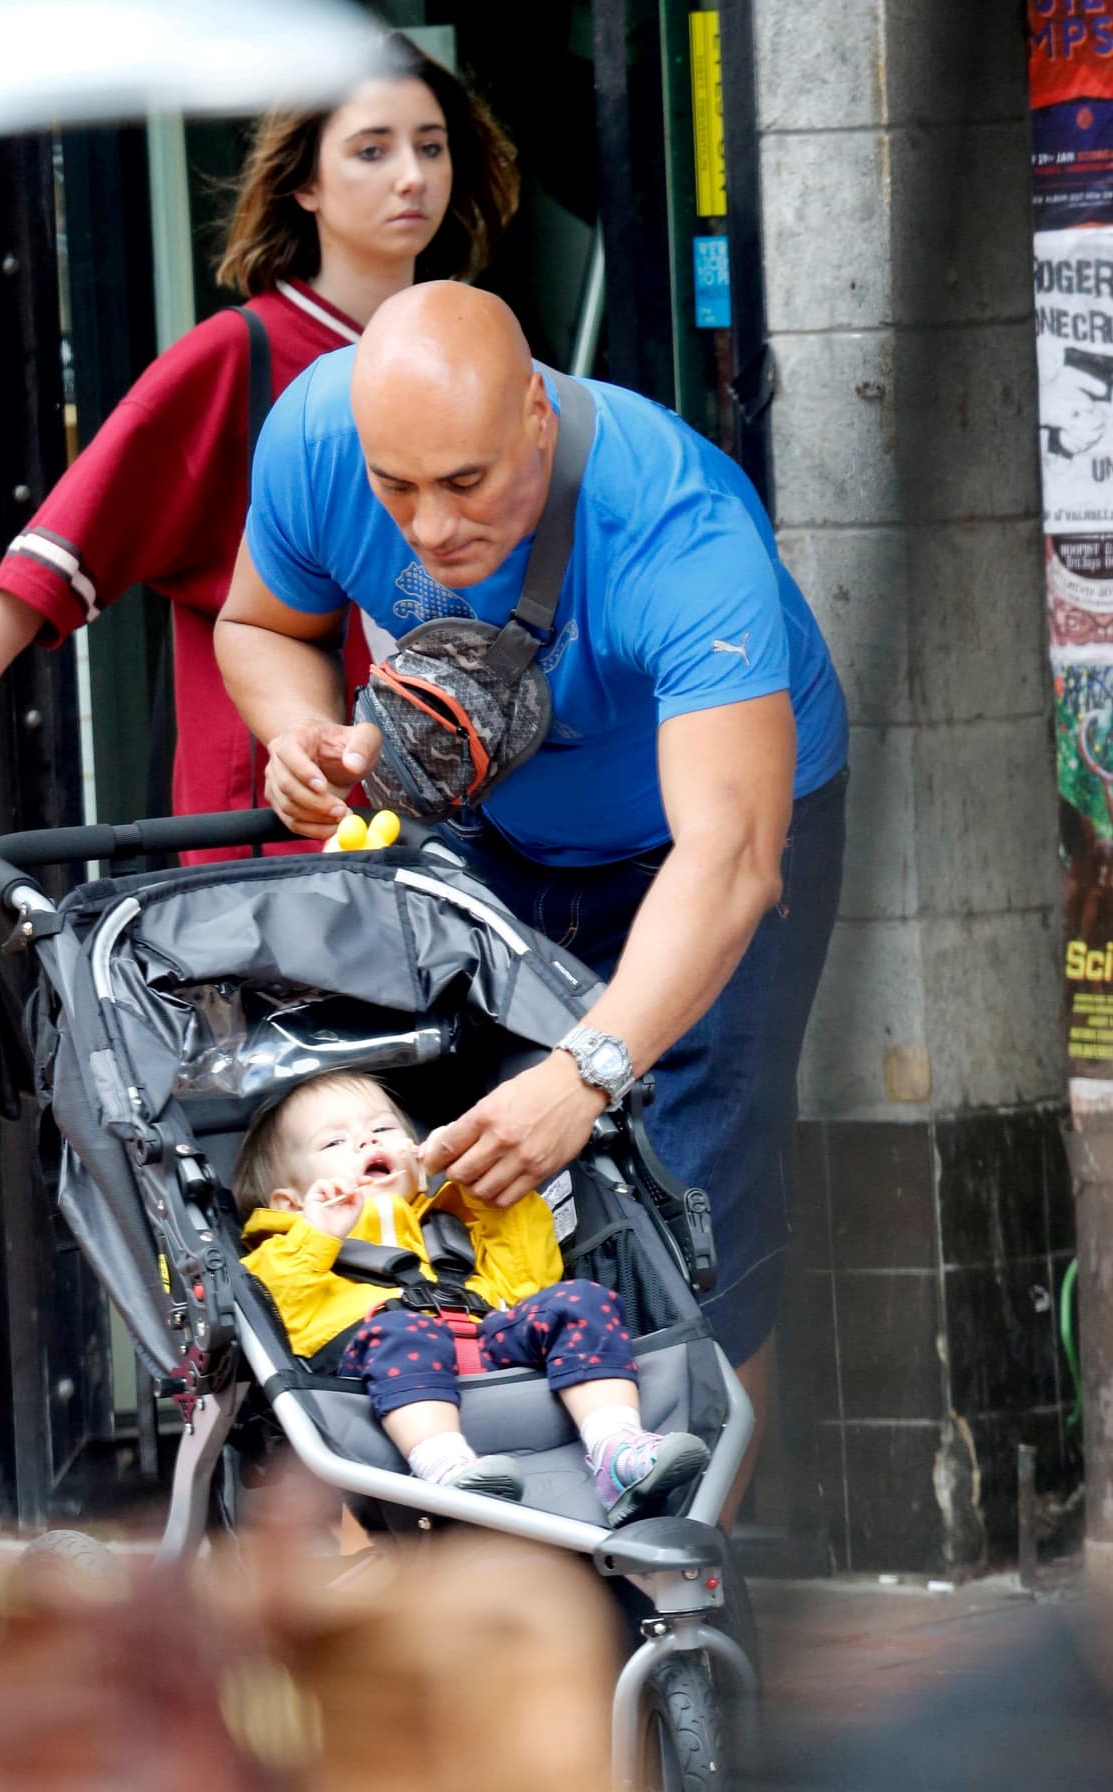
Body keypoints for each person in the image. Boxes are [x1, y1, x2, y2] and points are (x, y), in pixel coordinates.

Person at [215, 281, 850, 1522]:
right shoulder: (312, 436)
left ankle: (685, 1567)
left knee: (693, 1174)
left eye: (464, 482)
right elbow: (260, 622)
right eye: (393, 487)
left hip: (701, 837)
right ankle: (503, 1559)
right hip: (490, 819)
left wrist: (589, 1068)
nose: (426, 528)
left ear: (537, 418)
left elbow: (729, 856)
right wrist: (300, 736)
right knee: (456, 1185)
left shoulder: (677, 522)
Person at [0, 32, 518, 861]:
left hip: (458, 807)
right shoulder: (239, 354)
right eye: (372, 150)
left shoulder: (477, 348)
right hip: (277, 822)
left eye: (431, 146)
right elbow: (62, 550)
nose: (411, 175)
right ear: (304, 181)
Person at [237, 1071, 710, 1519]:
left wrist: (476, 1189)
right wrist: (316, 1234)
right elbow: (273, 1303)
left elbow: (530, 1279)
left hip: (491, 1345)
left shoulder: (455, 1224)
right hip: (379, 1372)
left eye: (382, 1128)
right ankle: (445, 1468)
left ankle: (617, 1448)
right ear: (288, 1201)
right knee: (402, 1329)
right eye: (335, 1142)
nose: (367, 1141)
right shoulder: (285, 1249)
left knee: (577, 1299)